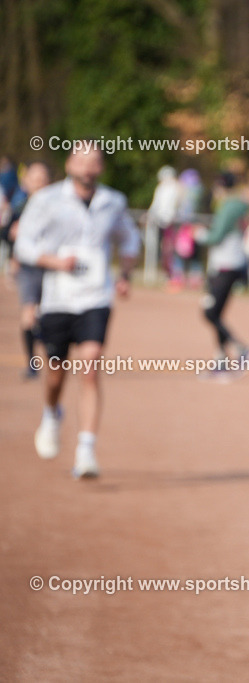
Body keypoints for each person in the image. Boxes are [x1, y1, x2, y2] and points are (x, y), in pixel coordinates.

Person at [14, 145, 140, 478]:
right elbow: (23, 244)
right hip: (57, 297)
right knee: (56, 372)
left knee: (91, 364)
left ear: (100, 167)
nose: (87, 167)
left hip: (96, 296)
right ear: (69, 164)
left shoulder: (113, 202)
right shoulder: (47, 200)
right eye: (80, 161)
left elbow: (129, 239)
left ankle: (86, 450)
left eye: (94, 161)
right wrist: (54, 261)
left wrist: (125, 275)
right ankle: (52, 412)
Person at [196, 173, 249, 366]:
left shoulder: (228, 207)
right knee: (216, 312)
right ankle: (221, 358)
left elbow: (216, 236)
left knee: (210, 313)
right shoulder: (240, 204)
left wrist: (199, 235)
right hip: (232, 262)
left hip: (225, 264)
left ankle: (241, 349)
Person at [8, 161, 52, 378]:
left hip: (51, 265)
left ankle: (49, 346)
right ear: (27, 182)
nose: (39, 184)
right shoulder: (20, 206)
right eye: (35, 179)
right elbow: (8, 232)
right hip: (27, 267)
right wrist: (12, 237)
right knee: (28, 313)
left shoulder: (57, 206)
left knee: (47, 314)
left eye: (43, 180)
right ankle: (32, 364)